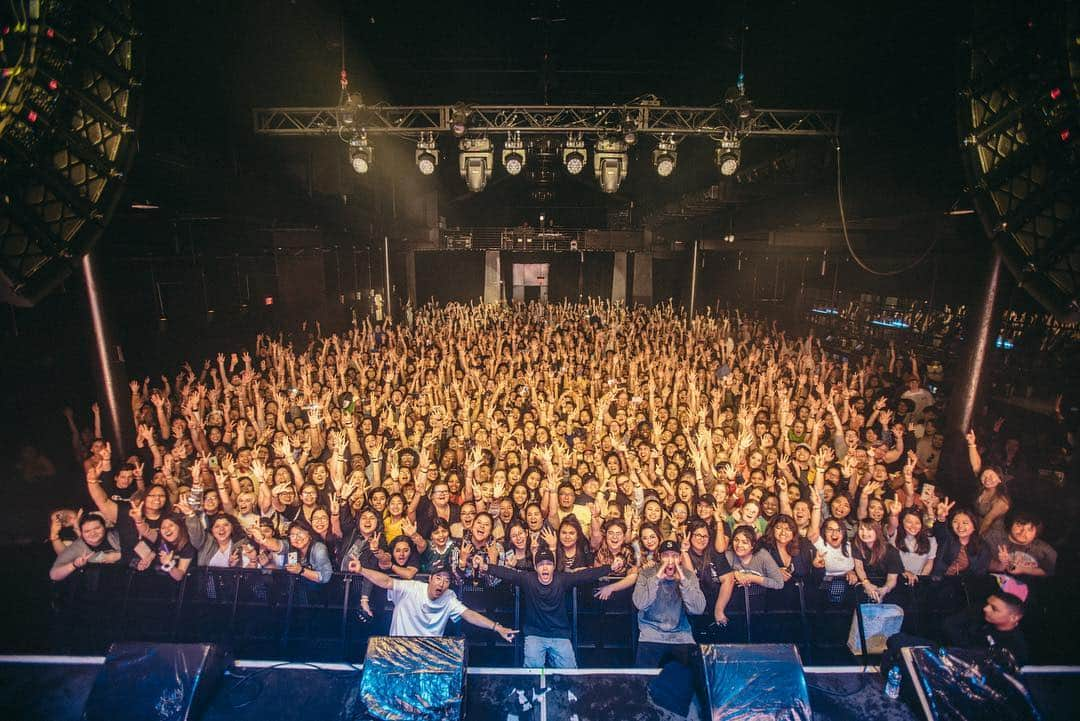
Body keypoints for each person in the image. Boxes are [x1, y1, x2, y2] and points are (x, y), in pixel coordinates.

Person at [481, 547, 621, 668]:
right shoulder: (528, 579)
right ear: (536, 568)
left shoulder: (562, 579)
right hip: (534, 634)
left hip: (559, 634)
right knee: (533, 673)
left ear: (554, 567)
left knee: (570, 674)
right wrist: (486, 567)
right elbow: (508, 574)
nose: (545, 567)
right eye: (541, 564)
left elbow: (584, 575)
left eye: (549, 564)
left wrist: (610, 568)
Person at [348, 559, 517, 641]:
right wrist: (362, 569)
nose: (442, 583)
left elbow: (469, 614)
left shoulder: (449, 597)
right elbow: (386, 581)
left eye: (446, 580)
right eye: (438, 578)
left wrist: (497, 627)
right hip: (399, 647)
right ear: (430, 578)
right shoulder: (412, 588)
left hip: (428, 651)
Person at [632, 539, 707, 666]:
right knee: (644, 680)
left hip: (681, 635)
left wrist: (683, 582)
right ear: (659, 557)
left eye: (675, 556)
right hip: (651, 634)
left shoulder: (688, 575)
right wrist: (656, 579)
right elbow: (640, 604)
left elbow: (698, 609)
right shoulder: (646, 573)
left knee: (688, 679)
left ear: (680, 558)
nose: (670, 561)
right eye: (666, 556)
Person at [49, 512, 122, 581]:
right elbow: (54, 575)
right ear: (81, 533)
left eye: (97, 528)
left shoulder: (115, 535)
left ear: (104, 527)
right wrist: (74, 565)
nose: (93, 533)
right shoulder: (76, 547)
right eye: (87, 531)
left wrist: (119, 555)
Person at [986, 512, 1057, 577]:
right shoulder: (994, 537)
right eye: (1019, 526)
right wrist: (1001, 564)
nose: (1023, 532)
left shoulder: (1044, 550)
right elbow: (980, 563)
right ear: (1011, 524)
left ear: (1036, 533)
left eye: (1029, 530)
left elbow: (1050, 571)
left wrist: (1024, 570)